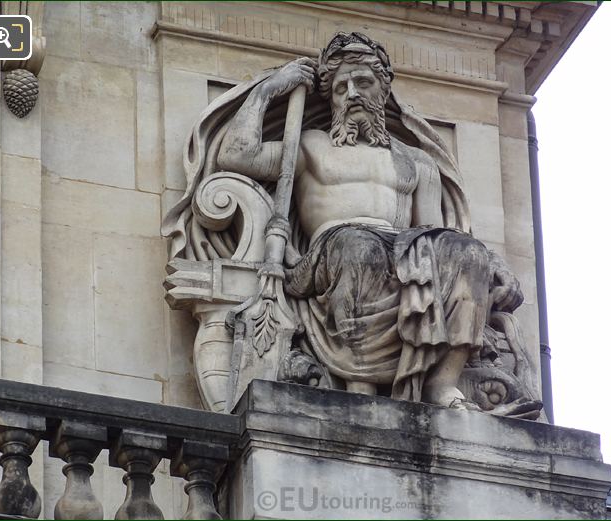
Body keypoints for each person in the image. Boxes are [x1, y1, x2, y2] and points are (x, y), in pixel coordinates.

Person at [170, 32, 524, 409]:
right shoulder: (309, 145)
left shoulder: (418, 162)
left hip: (403, 251)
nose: (352, 93)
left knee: (465, 252)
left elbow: (434, 232)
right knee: (358, 245)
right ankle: (359, 383)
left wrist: (488, 262)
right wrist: (268, 90)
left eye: (363, 82)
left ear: (383, 91)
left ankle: (443, 382)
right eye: (341, 88)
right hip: (333, 250)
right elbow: (236, 156)